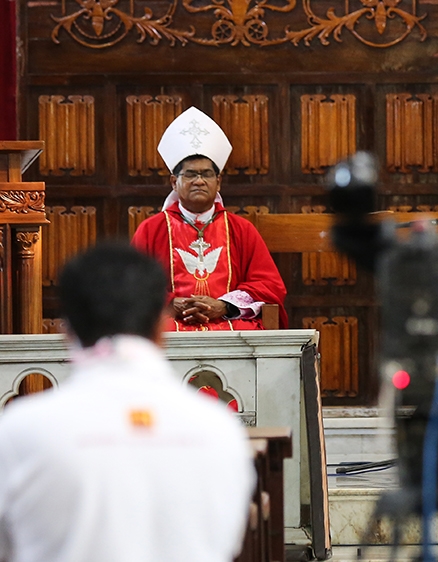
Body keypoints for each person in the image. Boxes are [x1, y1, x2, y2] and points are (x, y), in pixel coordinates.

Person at [0, 242, 255, 562]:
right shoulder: (219, 429)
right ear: (160, 326)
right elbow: (227, 541)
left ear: (67, 331)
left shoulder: (21, 429)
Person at [132, 106, 287, 331]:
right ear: (174, 182)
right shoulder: (151, 229)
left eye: (206, 174)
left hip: (226, 320)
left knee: (247, 331)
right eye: (190, 174)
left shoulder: (241, 229)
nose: (199, 181)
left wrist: (224, 305)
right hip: (172, 320)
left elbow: (269, 285)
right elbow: (132, 283)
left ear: (218, 182)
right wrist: (171, 304)